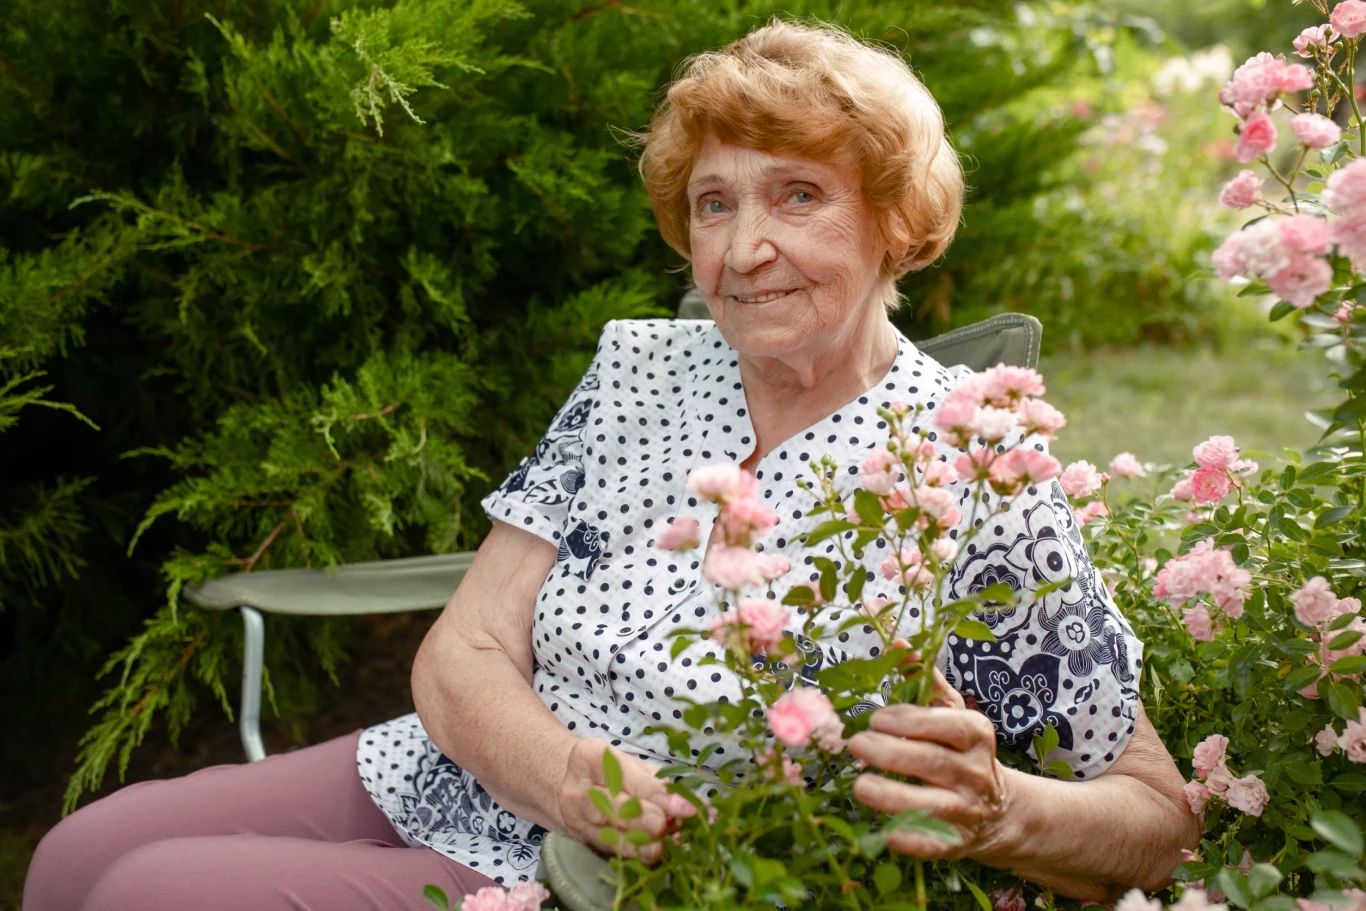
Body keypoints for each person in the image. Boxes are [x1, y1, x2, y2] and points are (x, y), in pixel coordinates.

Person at [24, 19, 1201, 911]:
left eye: (798, 196)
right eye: (712, 203)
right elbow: (467, 647)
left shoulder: (973, 460)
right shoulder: (640, 368)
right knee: (75, 852)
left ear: (894, 219)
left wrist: (996, 813)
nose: (744, 250)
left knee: (150, 892)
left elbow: (1153, 818)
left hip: (609, 874)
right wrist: (566, 765)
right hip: (473, 768)